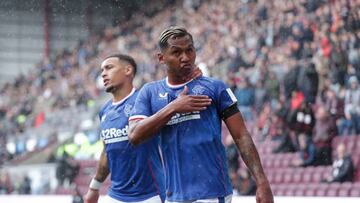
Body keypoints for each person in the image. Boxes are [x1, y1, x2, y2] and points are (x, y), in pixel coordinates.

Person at [128, 27, 273, 203]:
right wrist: (173, 108)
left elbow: (241, 136)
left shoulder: (215, 87)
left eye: (189, 50)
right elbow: (134, 135)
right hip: (174, 197)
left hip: (213, 193)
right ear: (161, 58)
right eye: (176, 52)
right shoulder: (150, 92)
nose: (185, 57)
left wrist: (262, 182)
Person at [83, 54, 166, 203]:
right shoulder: (105, 111)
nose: (103, 73)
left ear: (128, 70)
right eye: (102, 69)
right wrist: (94, 187)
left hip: (150, 195)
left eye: (109, 67)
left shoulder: (145, 99)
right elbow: (107, 151)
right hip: (116, 196)